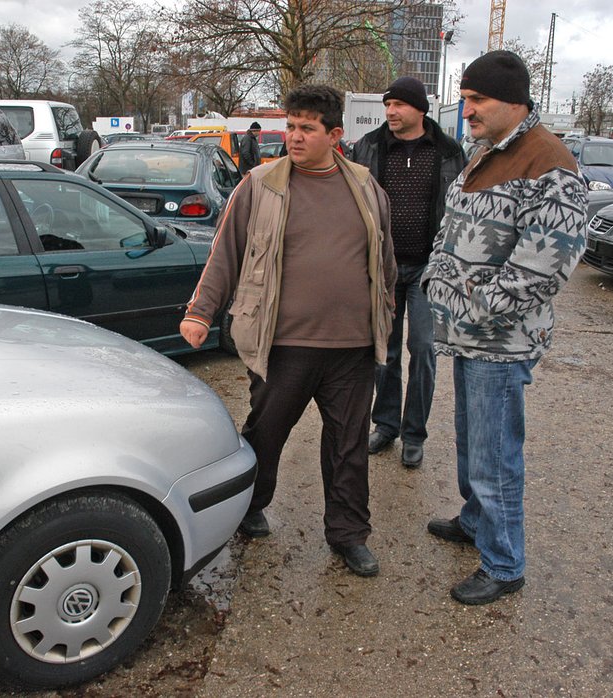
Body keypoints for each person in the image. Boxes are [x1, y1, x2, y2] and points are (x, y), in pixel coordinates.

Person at [180, 85, 396, 577]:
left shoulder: (365, 186)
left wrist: (387, 310)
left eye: (306, 129)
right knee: (266, 434)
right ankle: (249, 506)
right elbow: (225, 254)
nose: (294, 138)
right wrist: (200, 311)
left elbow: (383, 262)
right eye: (290, 127)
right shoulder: (261, 184)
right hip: (284, 345)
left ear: (335, 135)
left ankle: (348, 535)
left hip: (353, 348)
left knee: (349, 446)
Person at [421, 50, 588, 605]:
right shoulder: (485, 149)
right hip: (469, 332)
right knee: (472, 441)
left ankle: (504, 563)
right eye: (465, 98)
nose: (465, 109)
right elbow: (456, 229)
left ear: (512, 102)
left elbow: (547, 268)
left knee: (495, 454)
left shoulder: (549, 162)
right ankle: (476, 522)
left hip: (501, 336)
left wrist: (474, 304)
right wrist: (437, 278)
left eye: (476, 100)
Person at [351, 76, 466, 469]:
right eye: (387, 105)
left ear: (420, 109)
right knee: (385, 350)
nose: (390, 112)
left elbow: (462, 209)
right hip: (383, 266)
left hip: (428, 269)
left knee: (424, 349)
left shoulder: (449, 152)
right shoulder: (369, 146)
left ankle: (414, 433)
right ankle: (385, 425)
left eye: (398, 105)